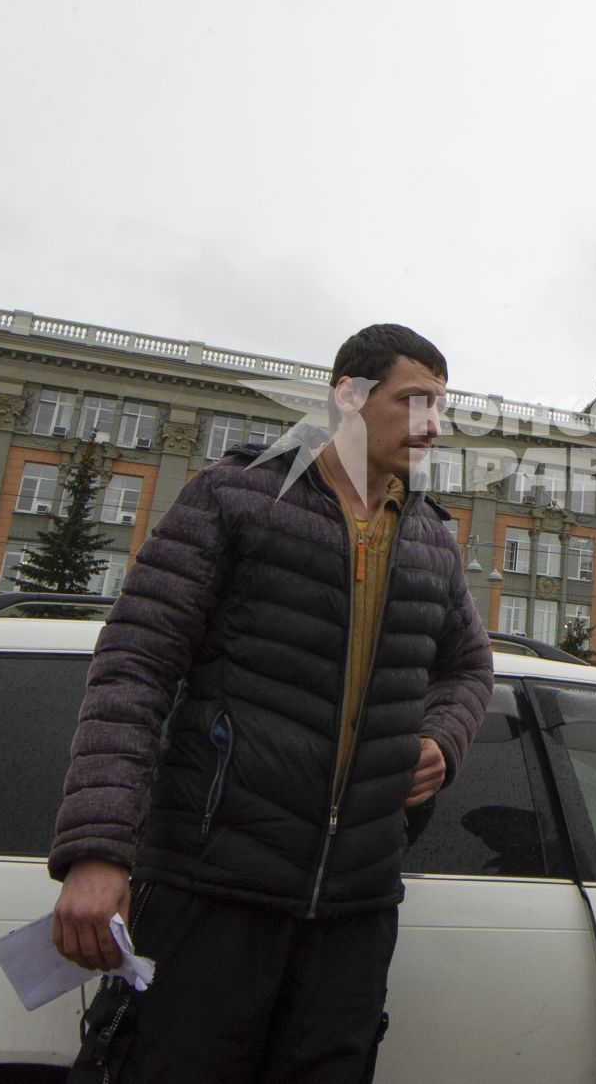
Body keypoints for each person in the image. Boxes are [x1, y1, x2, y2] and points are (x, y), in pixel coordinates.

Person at [47, 323, 494, 1083]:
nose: (434, 424)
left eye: (440, 405)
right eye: (415, 400)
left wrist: (444, 736)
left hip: (356, 905)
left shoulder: (429, 538)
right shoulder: (238, 495)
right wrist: (97, 850)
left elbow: (469, 667)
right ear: (347, 399)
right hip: (213, 886)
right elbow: (135, 663)